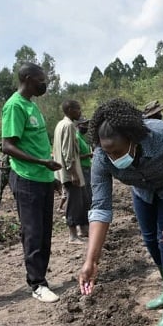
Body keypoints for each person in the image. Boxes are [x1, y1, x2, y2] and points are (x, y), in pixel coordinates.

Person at [78, 98, 163, 326]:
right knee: (150, 240)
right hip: (143, 192)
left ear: (132, 139)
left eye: (117, 151)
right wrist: (91, 260)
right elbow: (101, 207)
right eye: (107, 151)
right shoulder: (102, 158)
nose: (113, 157)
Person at [1, 62, 62, 303]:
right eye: (40, 79)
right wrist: (41, 162)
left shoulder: (31, 106)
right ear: (27, 78)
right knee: (33, 232)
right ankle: (37, 284)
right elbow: (7, 145)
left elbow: (36, 143)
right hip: (27, 178)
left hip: (42, 177)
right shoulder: (15, 106)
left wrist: (50, 176)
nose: (44, 84)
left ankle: (41, 278)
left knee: (44, 232)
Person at [53, 100, 89, 242]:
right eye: (78, 109)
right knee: (73, 203)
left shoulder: (60, 124)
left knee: (81, 201)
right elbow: (67, 152)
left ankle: (83, 230)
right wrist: (73, 173)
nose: (80, 112)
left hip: (69, 171)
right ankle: (73, 236)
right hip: (70, 172)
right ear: (70, 110)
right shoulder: (68, 126)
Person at [0, 143, 12, 210]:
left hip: (9, 175)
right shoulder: (2, 156)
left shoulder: (9, 155)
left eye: (0, 147)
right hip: (3, 175)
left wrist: (2, 168)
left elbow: (12, 166)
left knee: (14, 190)